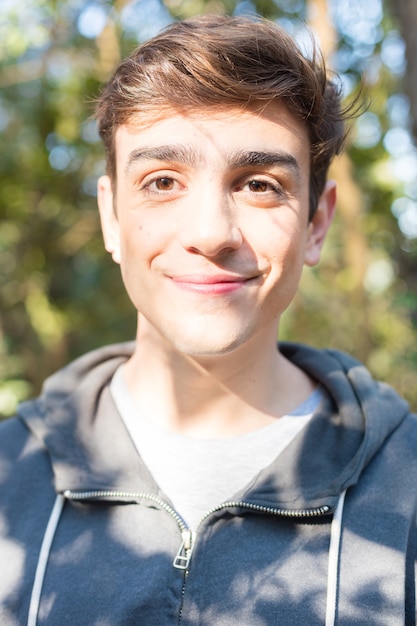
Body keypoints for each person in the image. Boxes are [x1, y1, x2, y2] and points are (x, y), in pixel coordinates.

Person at [0, 14, 416, 626]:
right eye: (162, 181)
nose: (211, 233)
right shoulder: (9, 481)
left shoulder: (405, 485)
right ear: (112, 217)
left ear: (316, 223)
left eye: (259, 184)